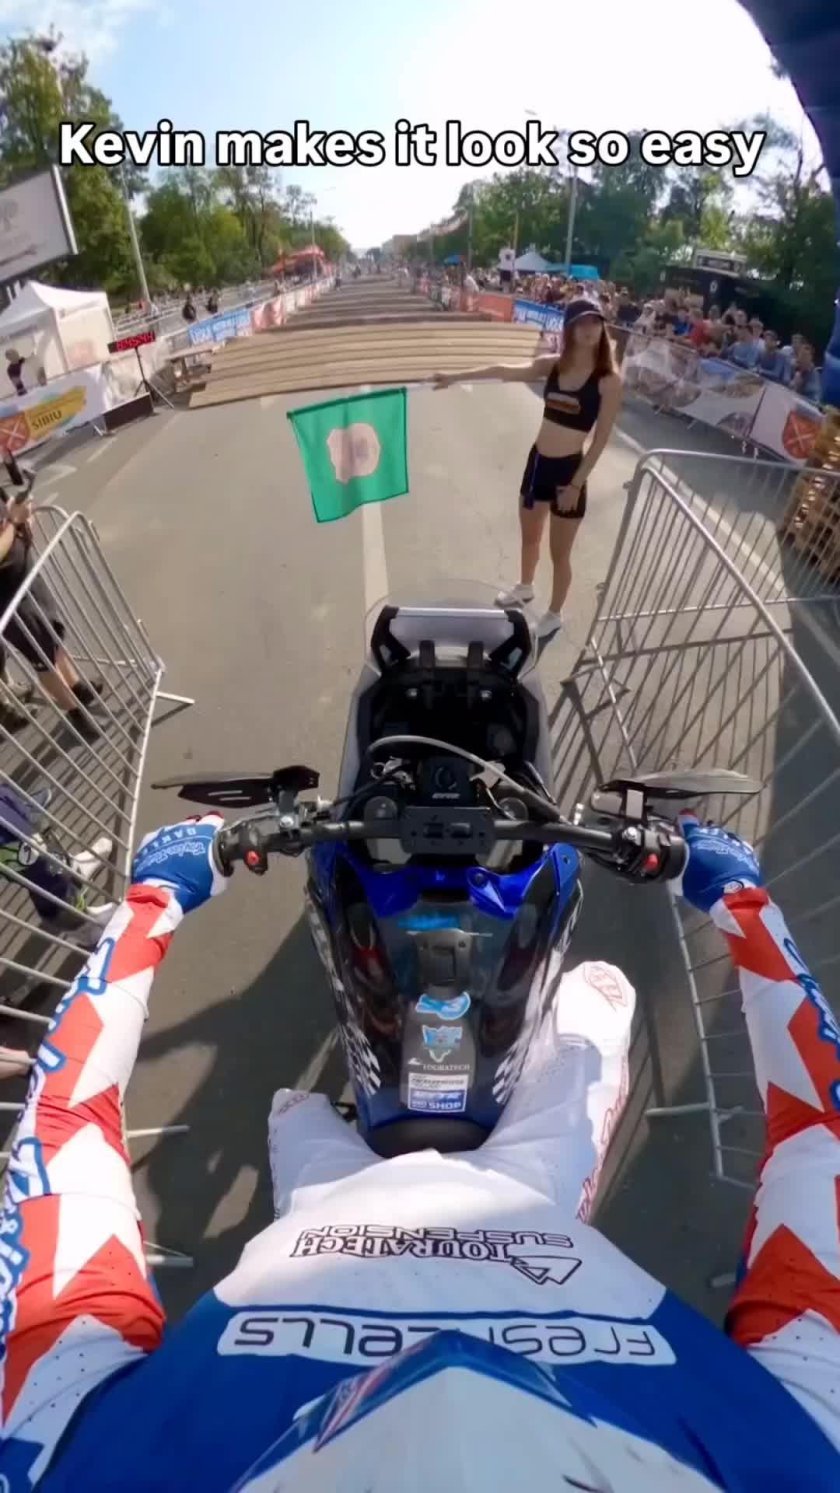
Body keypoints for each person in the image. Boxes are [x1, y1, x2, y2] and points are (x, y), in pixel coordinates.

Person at [2, 812, 840, 1491]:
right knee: (598, 1002)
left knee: (293, 1108)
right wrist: (738, 896)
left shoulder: (63, 1459)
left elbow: (63, 1122)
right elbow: (820, 1131)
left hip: (389, 1199)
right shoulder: (807, 1452)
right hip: (502, 1197)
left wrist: (156, 896)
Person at [432, 299, 622, 641]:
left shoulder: (608, 380)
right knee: (530, 537)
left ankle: (554, 614)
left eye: (595, 322)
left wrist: (576, 485)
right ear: (569, 329)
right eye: (581, 323)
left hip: (569, 474)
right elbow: (505, 370)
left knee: (559, 554)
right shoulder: (553, 365)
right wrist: (454, 377)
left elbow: (600, 440)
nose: (589, 329)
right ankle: (525, 585)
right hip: (538, 464)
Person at [0, 483, 102, 744]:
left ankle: (77, 687)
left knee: (52, 636)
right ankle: (75, 713)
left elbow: (10, 516)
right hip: (8, 599)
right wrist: (14, 521)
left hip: (25, 577)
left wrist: (24, 519)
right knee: (41, 657)